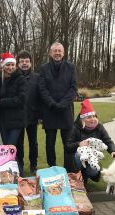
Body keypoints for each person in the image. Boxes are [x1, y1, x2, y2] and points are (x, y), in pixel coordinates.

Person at [38, 42, 78, 171]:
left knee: (68, 143)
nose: (57, 53)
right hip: (50, 111)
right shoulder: (44, 68)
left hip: (65, 111)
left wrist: (62, 104)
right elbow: (42, 89)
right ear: (50, 53)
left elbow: (73, 88)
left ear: (63, 53)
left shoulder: (71, 67)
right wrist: (52, 104)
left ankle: (69, 169)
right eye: (54, 51)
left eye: (59, 51)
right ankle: (52, 168)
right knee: (50, 143)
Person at [65, 99, 115, 183]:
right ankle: (79, 176)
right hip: (76, 160)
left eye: (94, 116)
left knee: (93, 171)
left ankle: (85, 176)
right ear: (83, 119)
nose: (93, 119)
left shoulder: (99, 127)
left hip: (93, 157)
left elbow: (108, 141)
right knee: (79, 156)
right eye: (89, 117)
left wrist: (113, 150)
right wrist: (79, 144)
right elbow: (67, 146)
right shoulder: (74, 128)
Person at [0, 52, 27, 175]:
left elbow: (20, 99)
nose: (10, 67)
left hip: (16, 120)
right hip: (3, 120)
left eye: (12, 65)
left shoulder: (20, 78)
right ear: (3, 66)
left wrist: (0, 102)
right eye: (8, 65)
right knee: (9, 148)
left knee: (10, 147)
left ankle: (18, 173)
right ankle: (12, 173)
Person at [16, 50, 41, 175]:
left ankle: (33, 165)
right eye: (21, 61)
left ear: (30, 63)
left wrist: (40, 115)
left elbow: (40, 96)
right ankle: (19, 164)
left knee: (33, 142)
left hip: (33, 115)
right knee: (18, 143)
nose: (24, 64)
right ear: (18, 63)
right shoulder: (14, 76)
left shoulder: (37, 77)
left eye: (26, 61)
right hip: (18, 117)